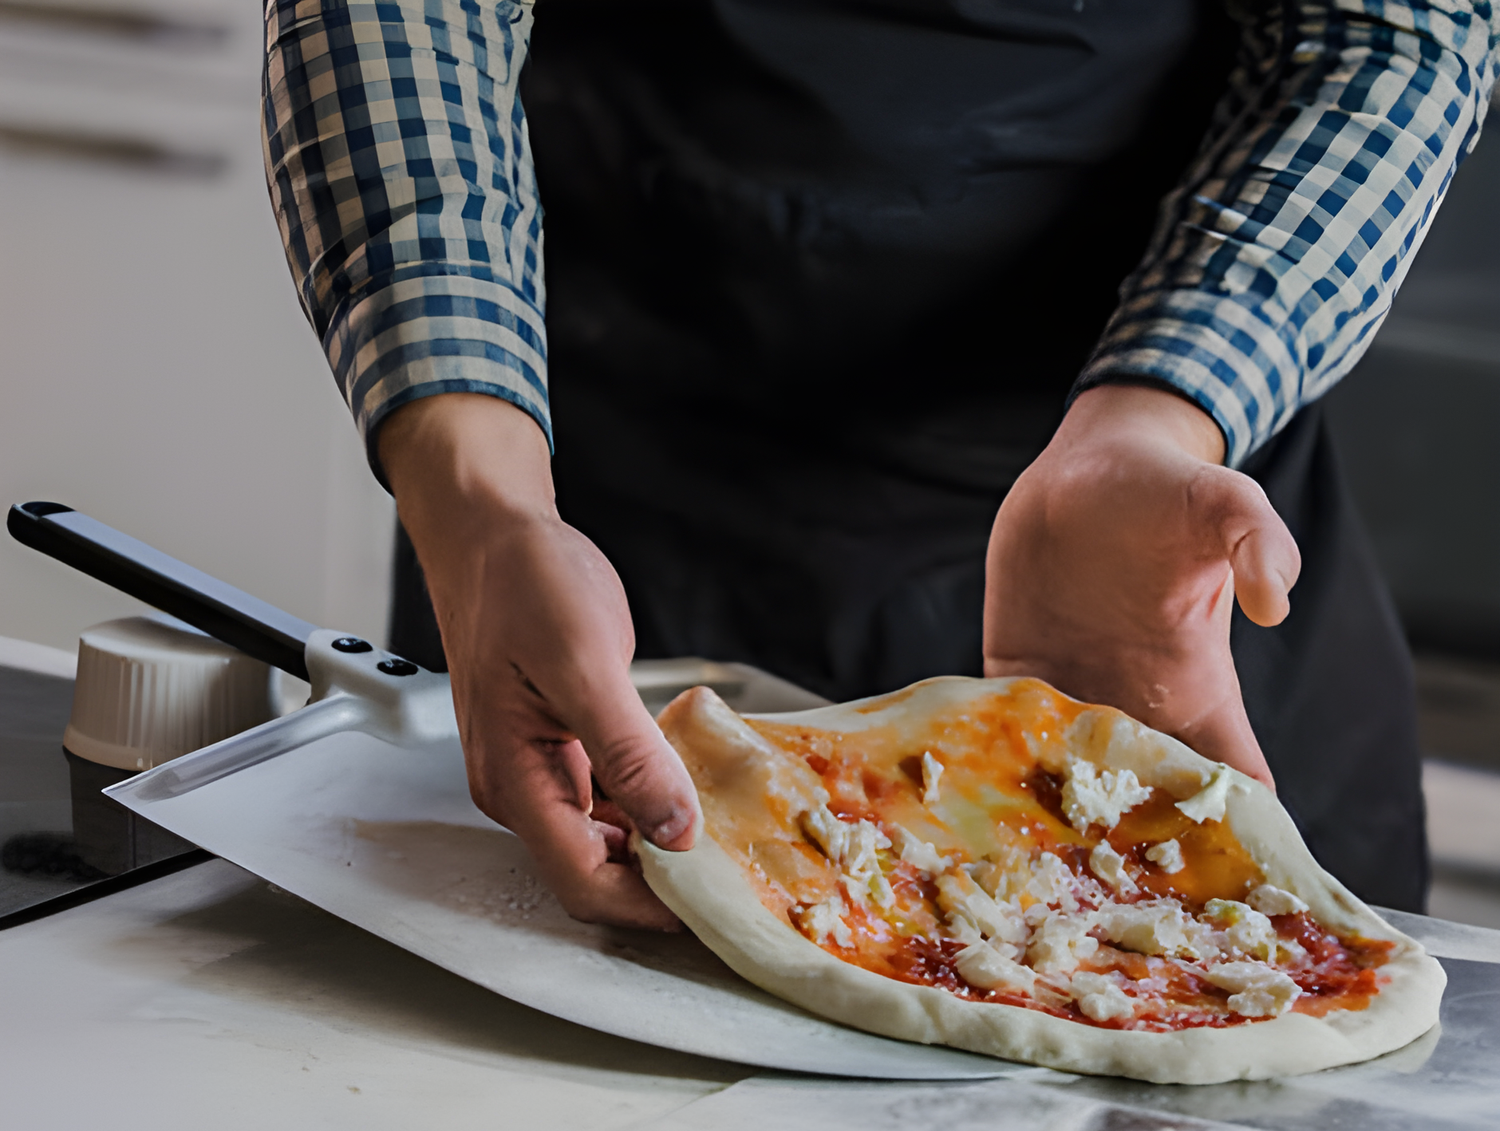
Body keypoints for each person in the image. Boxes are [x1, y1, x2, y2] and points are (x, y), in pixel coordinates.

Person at [263, 0, 1497, 926]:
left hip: (1153, 555)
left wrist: (1161, 417)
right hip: (583, 542)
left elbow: (1388, 31)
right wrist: (478, 489)